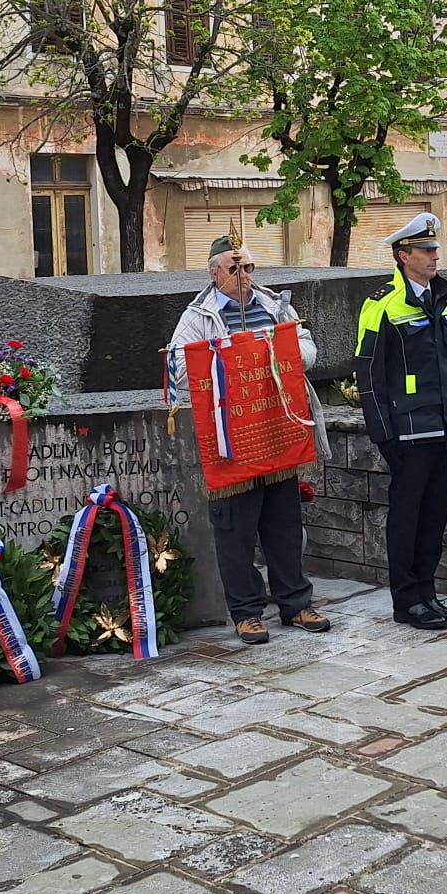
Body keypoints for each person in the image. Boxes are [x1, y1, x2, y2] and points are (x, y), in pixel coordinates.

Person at [167, 232, 332, 646]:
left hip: (278, 431)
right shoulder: (196, 316)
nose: (244, 276)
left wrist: (275, 351)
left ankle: (295, 603)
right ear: (214, 273)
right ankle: (247, 612)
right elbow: (179, 370)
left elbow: (308, 350)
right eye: (234, 268)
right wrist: (230, 354)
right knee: (236, 531)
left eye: (250, 267)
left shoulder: (275, 305)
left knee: (284, 526)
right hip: (232, 440)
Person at [355, 212, 447, 631]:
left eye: (435, 249)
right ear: (404, 256)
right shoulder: (381, 303)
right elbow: (368, 374)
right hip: (407, 432)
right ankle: (407, 600)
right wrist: (384, 436)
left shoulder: (442, 297)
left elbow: (446, 365)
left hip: (443, 427)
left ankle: (428, 593)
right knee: (407, 518)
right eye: (427, 250)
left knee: (435, 515)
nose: (436, 256)